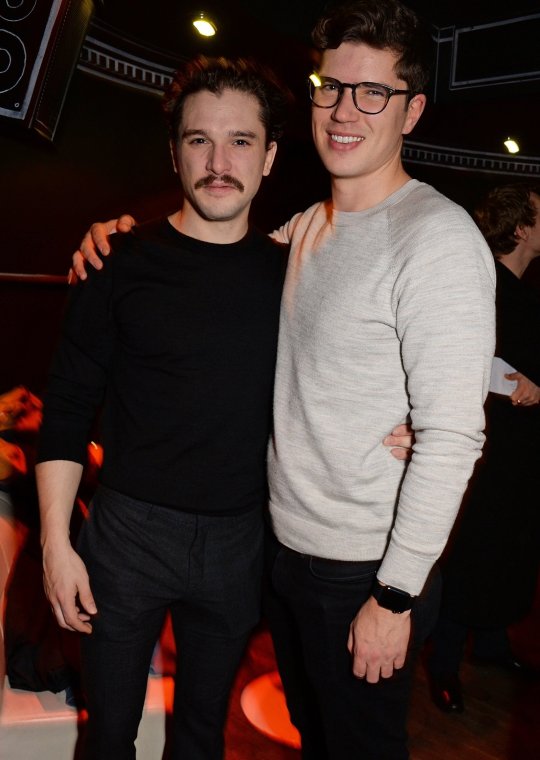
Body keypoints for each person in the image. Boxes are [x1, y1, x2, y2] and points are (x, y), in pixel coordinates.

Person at [74, 2, 495, 758]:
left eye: (374, 93)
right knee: (315, 739)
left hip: (367, 571)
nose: (344, 110)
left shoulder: (436, 237)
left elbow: (456, 429)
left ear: (414, 110)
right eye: (331, 87)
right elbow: (209, 253)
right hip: (284, 556)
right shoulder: (307, 228)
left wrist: (394, 596)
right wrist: (114, 238)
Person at [37, 56, 292, 760]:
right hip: (126, 537)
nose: (219, 161)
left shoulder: (295, 276)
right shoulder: (115, 260)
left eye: (241, 141)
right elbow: (65, 410)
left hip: (239, 542)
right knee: (110, 733)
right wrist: (57, 547)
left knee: (201, 737)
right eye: (199, 140)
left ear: (268, 158)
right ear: (175, 153)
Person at [428, 183, 540, 713]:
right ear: (520, 228)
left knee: (508, 547)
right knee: (473, 552)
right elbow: (454, 352)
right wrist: (510, 380)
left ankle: (491, 645)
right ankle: (443, 664)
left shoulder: (524, 289)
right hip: (483, 451)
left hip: (518, 452)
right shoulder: (482, 283)